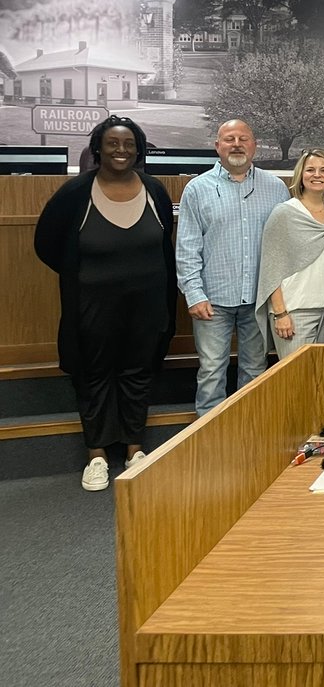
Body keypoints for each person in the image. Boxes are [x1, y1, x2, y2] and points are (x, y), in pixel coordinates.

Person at [34, 116, 177, 491]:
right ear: (97, 148)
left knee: (138, 372)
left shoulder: (154, 190)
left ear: (139, 149)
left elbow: (164, 243)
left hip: (147, 304)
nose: (121, 150)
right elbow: (46, 244)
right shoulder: (76, 192)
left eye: (129, 144)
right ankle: (96, 455)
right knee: (93, 375)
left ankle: (134, 450)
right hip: (92, 304)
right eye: (113, 143)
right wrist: (81, 274)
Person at [177, 119, 289, 417]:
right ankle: (210, 437)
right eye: (229, 139)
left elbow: (284, 246)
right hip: (212, 300)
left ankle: (247, 433)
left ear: (254, 145)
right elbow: (187, 248)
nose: (237, 144)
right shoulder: (197, 189)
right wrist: (194, 294)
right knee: (212, 371)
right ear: (218, 146)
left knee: (255, 370)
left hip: (258, 299)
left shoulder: (276, 188)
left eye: (243, 139)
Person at [256, 149, 324, 358]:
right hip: (295, 312)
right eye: (310, 169)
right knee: (297, 376)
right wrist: (280, 313)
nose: (317, 175)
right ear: (301, 175)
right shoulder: (284, 213)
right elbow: (270, 269)